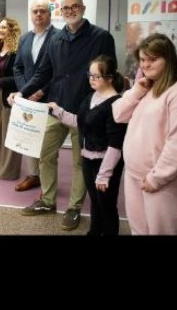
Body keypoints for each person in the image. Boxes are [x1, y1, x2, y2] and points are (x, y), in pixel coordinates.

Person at [9, 0, 116, 231]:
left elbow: (110, 74)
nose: (70, 11)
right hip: (56, 107)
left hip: (85, 111)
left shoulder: (101, 37)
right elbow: (43, 73)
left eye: (74, 6)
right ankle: (47, 201)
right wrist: (22, 93)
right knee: (45, 154)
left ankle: (74, 208)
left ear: (83, 8)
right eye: (65, 8)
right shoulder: (56, 39)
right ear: (61, 12)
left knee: (80, 162)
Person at [112, 33, 177, 235]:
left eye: (153, 59)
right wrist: (136, 91)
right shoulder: (148, 86)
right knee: (139, 230)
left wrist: (156, 178)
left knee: (163, 231)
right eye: (142, 60)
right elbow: (118, 114)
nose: (145, 65)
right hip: (135, 175)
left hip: (165, 181)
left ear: (168, 59)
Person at [48, 55, 127, 236]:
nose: (92, 79)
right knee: (94, 200)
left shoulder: (116, 103)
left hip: (106, 162)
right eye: (90, 75)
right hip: (87, 158)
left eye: (96, 76)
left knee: (106, 204)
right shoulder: (91, 96)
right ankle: (94, 230)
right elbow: (79, 121)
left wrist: (104, 174)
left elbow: (116, 145)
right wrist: (58, 111)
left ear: (109, 77)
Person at [12, 0, 59, 192]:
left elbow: (59, 71)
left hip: (49, 97)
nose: (38, 14)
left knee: (47, 144)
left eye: (42, 11)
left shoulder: (58, 37)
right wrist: (25, 90)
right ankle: (33, 176)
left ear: (50, 15)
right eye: (35, 11)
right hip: (27, 98)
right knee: (28, 138)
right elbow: (17, 67)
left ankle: (48, 182)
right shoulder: (24, 38)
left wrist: (41, 91)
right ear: (31, 15)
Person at [0, 17, 21, 180]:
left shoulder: (16, 52)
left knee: (9, 134)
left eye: (4, 28)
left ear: (12, 30)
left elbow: (20, 77)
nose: (0, 30)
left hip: (10, 97)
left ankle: (8, 170)